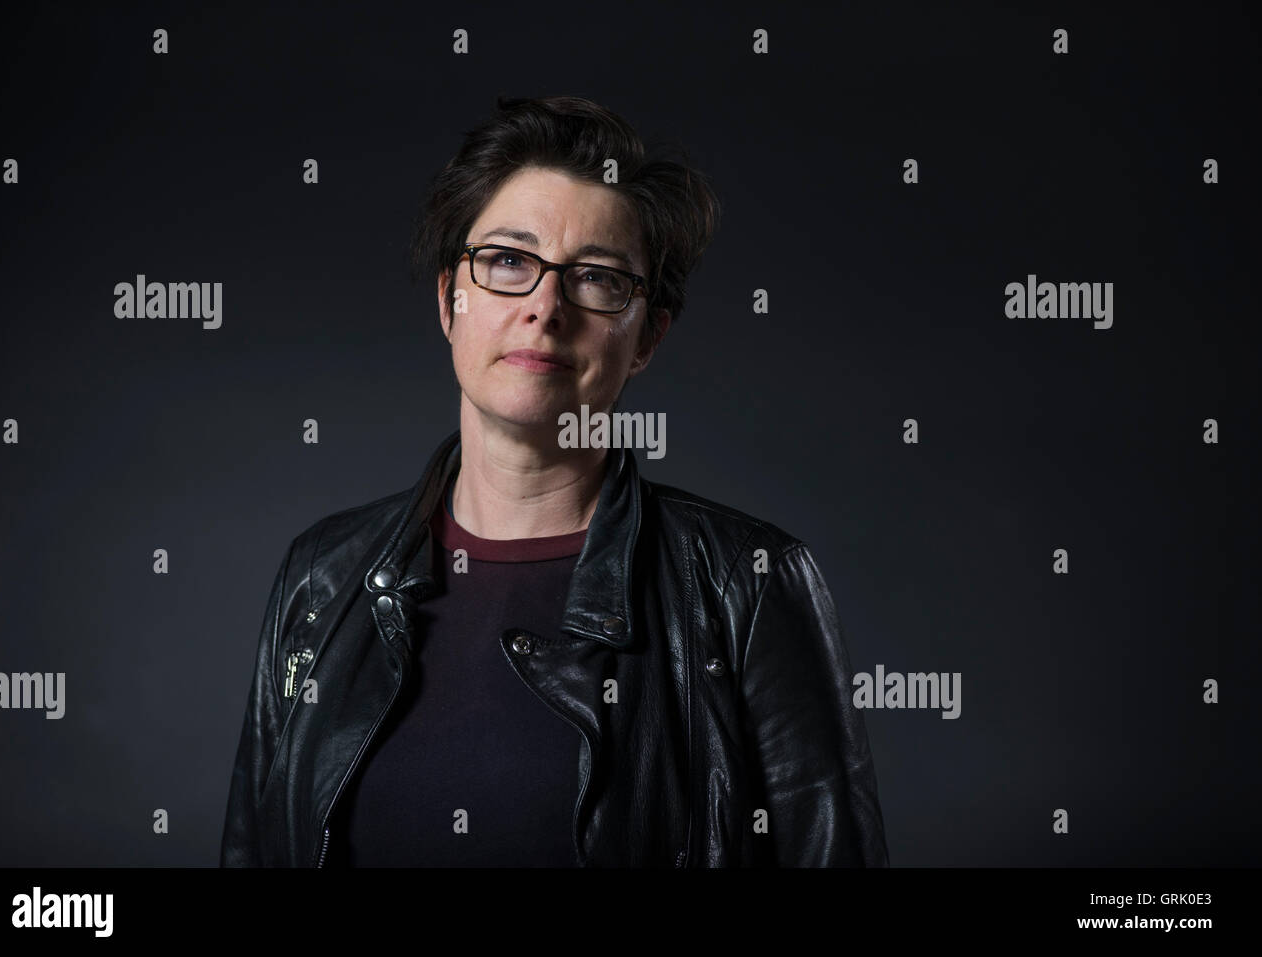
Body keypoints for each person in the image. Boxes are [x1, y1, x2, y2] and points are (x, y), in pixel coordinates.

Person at [219, 94, 889, 867]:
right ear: (449, 299)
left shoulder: (748, 584)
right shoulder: (320, 575)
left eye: (597, 278)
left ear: (646, 337)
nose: (545, 306)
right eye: (508, 261)